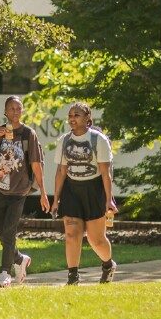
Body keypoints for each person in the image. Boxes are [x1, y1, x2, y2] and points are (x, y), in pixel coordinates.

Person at [0, 95, 50, 287]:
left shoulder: (29, 134)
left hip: (19, 191)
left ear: (22, 111)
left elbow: (36, 164)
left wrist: (43, 193)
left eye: (18, 108)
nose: (15, 111)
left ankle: (5, 272)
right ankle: (20, 259)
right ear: (5, 111)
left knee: (9, 232)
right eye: (11, 108)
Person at [51, 101, 118, 285]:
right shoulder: (64, 140)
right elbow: (61, 172)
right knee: (72, 234)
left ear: (88, 119)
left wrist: (109, 200)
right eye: (70, 115)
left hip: (94, 190)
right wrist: (56, 199)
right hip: (71, 190)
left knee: (96, 240)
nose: (72, 118)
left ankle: (108, 265)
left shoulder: (98, 140)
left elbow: (106, 173)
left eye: (77, 115)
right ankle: (73, 277)